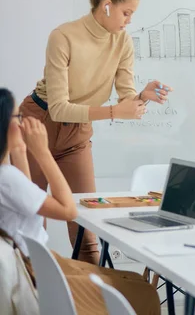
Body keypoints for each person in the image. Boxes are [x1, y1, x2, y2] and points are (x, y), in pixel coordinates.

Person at [19, 0, 172, 264]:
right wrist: (116, 111)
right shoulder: (62, 37)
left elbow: (126, 91)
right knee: (31, 219)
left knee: (85, 222)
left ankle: (94, 305)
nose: (129, 20)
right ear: (106, 6)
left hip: (77, 132)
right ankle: (29, 301)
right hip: (39, 123)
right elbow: (61, 107)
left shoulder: (123, 41)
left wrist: (141, 97)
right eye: (126, 13)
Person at [0, 87, 160, 314]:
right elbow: (69, 210)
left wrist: (19, 147)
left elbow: (25, 192)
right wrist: (42, 152)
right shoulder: (6, 178)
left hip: (34, 265)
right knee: (143, 292)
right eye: (18, 117)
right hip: (34, 274)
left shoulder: (7, 175)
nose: (25, 121)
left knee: (134, 281)